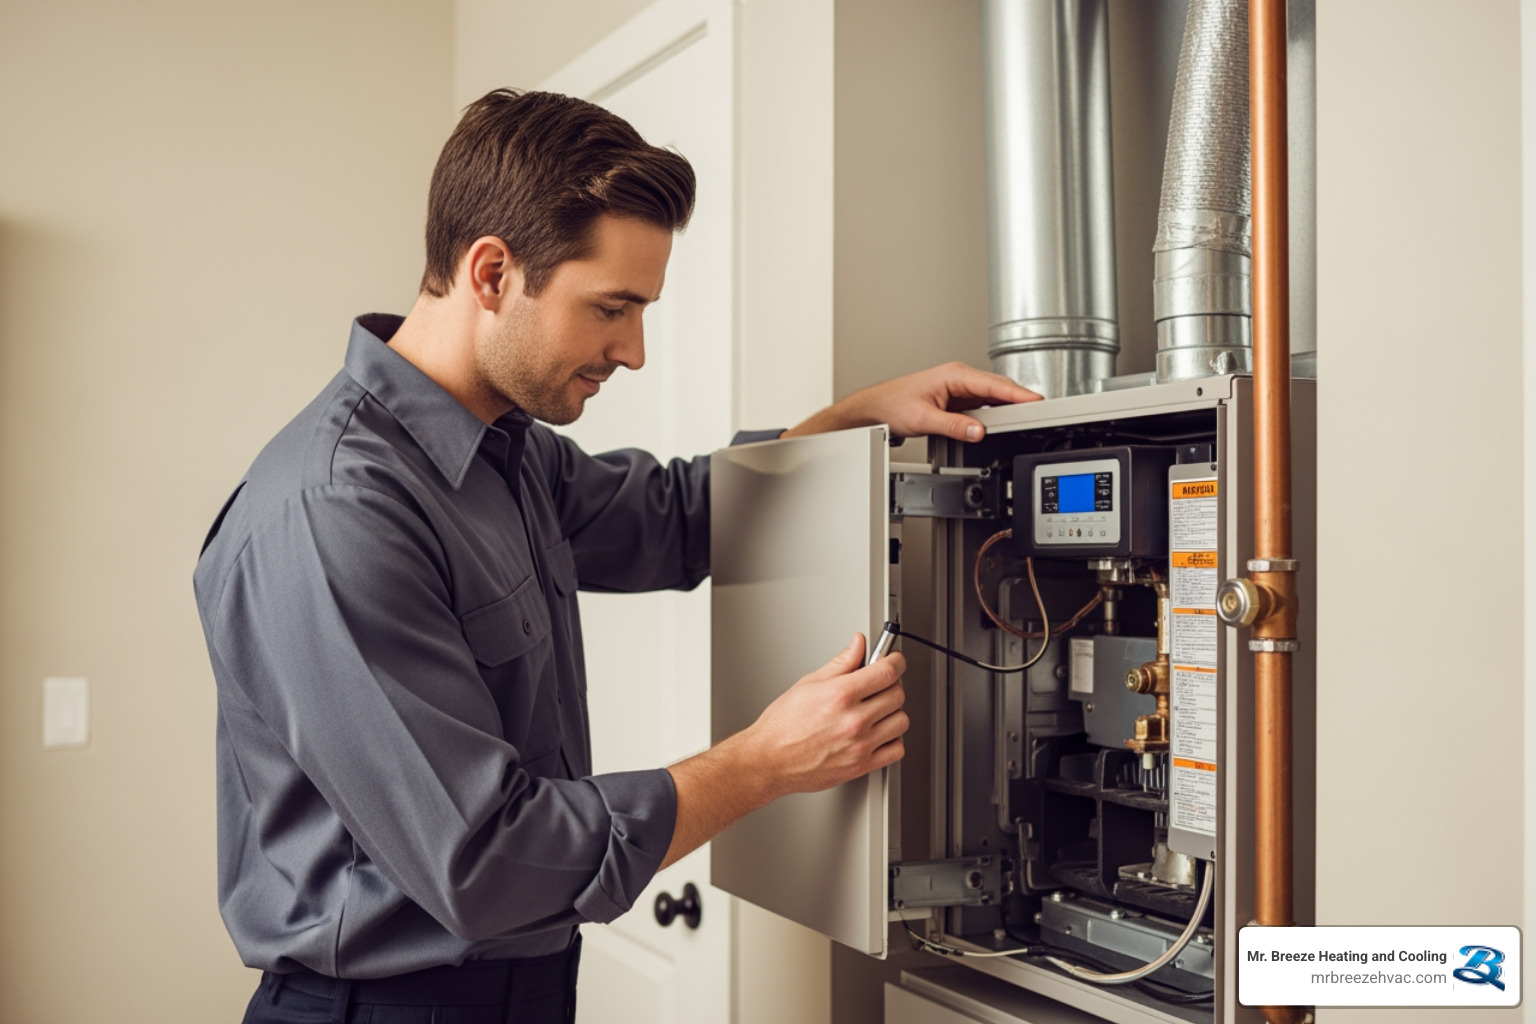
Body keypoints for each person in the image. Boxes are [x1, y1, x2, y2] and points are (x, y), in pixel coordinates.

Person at [194, 88, 1040, 1024]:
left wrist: (852, 420)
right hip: (387, 1006)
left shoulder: (504, 451)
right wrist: (765, 761)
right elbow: (488, 863)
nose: (632, 351)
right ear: (491, 273)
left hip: (527, 989)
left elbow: (677, 515)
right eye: (612, 307)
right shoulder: (336, 513)